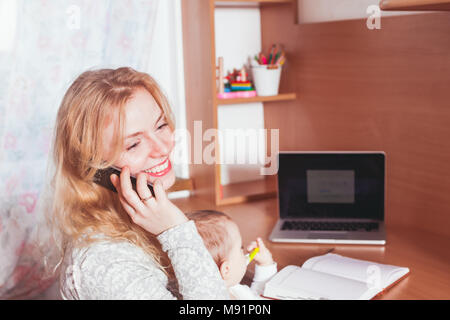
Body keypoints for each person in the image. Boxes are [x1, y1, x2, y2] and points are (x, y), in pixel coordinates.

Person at [46, 67, 230, 299]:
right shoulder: (109, 265)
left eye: (161, 126)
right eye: (133, 144)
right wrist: (177, 231)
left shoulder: (139, 218)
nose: (163, 148)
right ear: (94, 168)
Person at [185, 210, 278, 299]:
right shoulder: (236, 292)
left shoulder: (232, 290)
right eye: (241, 248)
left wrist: (265, 264)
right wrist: (267, 265)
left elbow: (257, 297)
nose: (244, 252)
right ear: (226, 270)